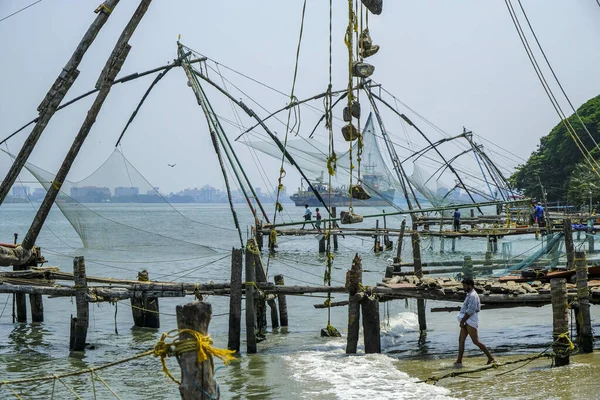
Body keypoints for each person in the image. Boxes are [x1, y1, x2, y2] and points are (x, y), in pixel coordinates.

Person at [455, 278, 495, 367]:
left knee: (475, 341)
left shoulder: (473, 295)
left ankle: (491, 358)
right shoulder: (469, 294)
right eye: (463, 285)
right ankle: (459, 361)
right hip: (466, 319)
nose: (463, 287)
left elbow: (471, 311)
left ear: (470, 285)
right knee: (461, 340)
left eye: (465, 285)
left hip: (470, 320)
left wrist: (462, 321)